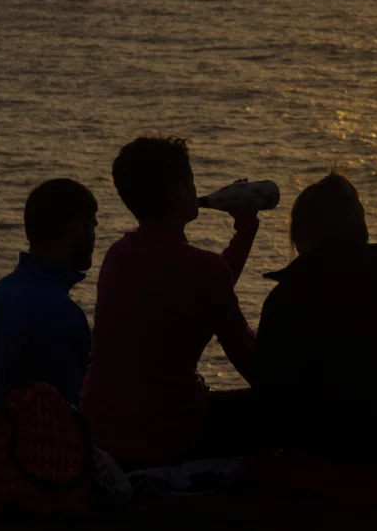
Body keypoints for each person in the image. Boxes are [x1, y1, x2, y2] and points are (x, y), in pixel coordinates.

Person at [81, 136, 261, 467]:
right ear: (180, 189)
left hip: (103, 431)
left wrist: (245, 232)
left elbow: (200, 294)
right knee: (280, 410)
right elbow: (251, 364)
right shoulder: (203, 271)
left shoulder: (118, 256)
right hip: (170, 433)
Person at [253, 173, 377, 462]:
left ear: (302, 233)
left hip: (321, 447)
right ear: (359, 226)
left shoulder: (289, 295)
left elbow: (269, 384)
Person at [0, 179, 98, 418]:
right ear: (75, 227)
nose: (94, 239)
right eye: (92, 227)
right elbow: (76, 407)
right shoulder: (61, 313)